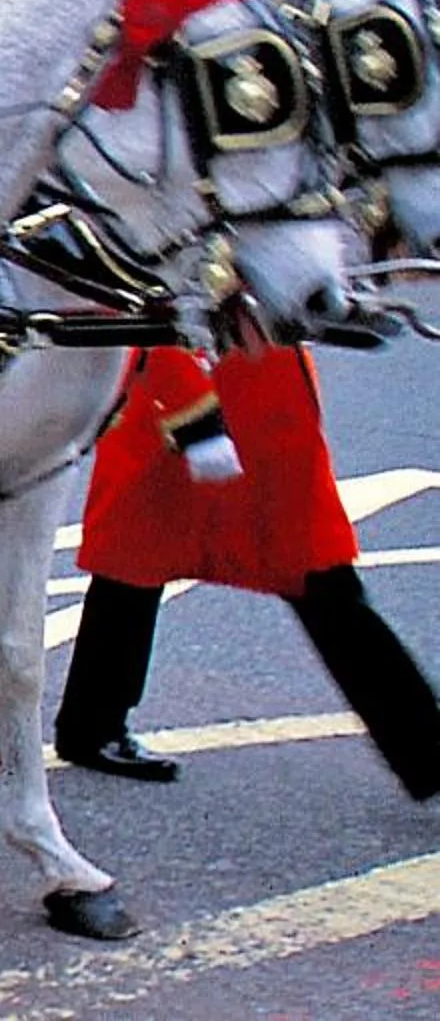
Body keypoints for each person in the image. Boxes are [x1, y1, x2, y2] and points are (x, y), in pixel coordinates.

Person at [55, 339, 440, 799]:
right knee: (316, 580)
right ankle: (429, 754)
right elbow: (154, 308)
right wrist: (193, 414)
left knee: (140, 562)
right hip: (205, 407)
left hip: (250, 406)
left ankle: (91, 723)